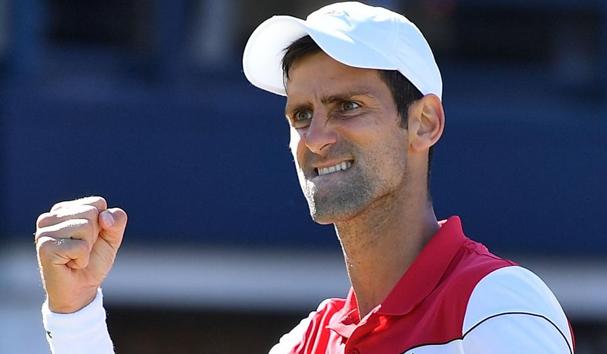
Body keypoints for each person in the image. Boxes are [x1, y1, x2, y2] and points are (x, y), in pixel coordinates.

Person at [35, 2, 575, 353]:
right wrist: (75, 310)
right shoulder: (306, 342)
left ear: (424, 122)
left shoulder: (499, 305)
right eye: (300, 114)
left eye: (347, 106)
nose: (315, 137)